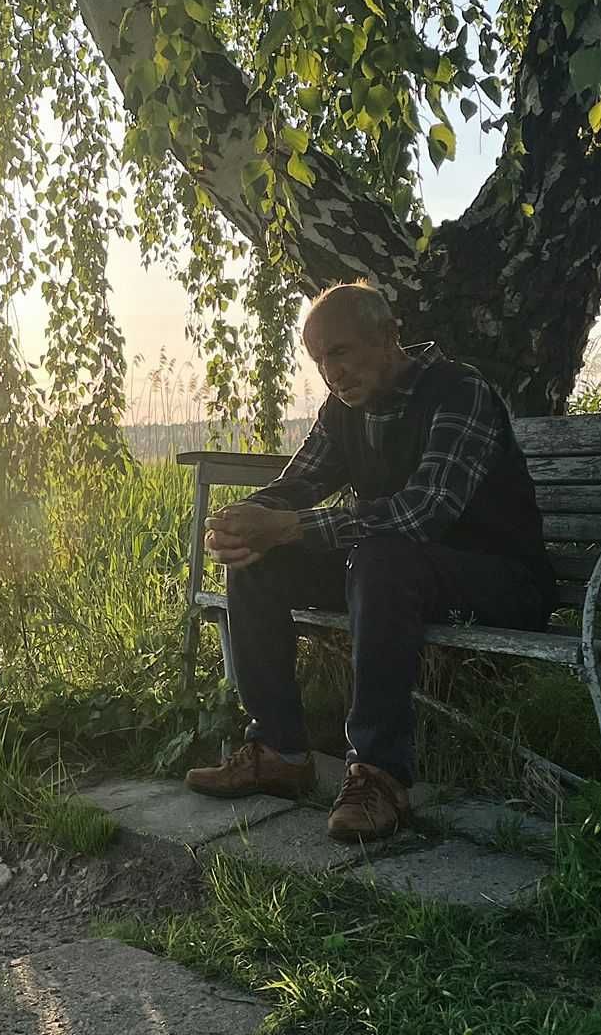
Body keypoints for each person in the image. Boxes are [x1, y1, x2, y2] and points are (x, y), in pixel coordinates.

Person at [185, 282, 555, 840]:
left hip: (498, 578)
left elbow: (423, 512)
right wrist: (246, 519)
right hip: (398, 576)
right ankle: (281, 751)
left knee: (381, 554)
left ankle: (380, 774)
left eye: (341, 352)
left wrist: (291, 526)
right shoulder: (344, 411)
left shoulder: (459, 392)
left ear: (388, 337)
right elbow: (299, 484)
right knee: (259, 562)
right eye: (318, 361)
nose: (331, 372)